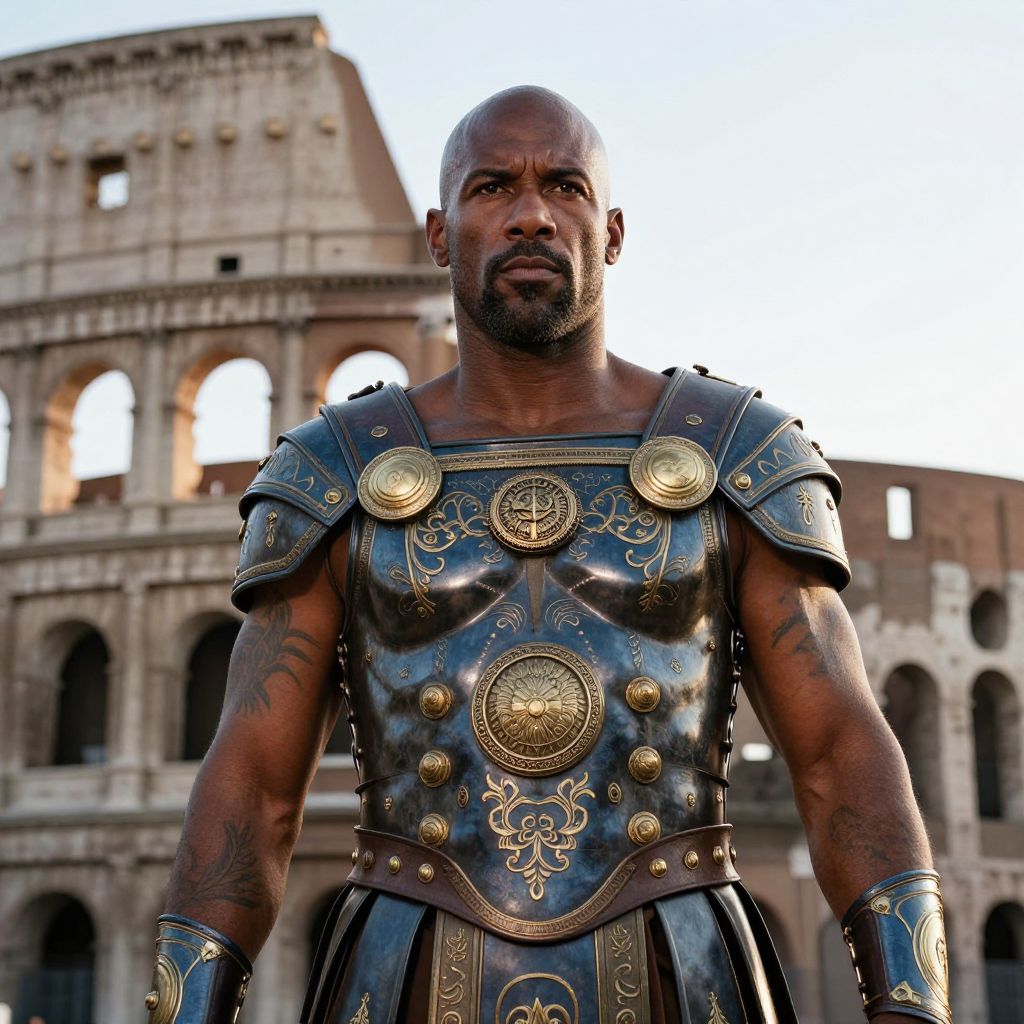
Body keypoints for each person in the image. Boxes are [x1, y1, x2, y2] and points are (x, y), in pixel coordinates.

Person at [145, 87, 952, 1024]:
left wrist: (912, 1006)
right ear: (441, 236)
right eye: (494, 187)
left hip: (677, 971)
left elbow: (838, 748)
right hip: (404, 971)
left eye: (562, 185)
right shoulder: (336, 470)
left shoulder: (738, 452)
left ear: (610, 230)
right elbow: (253, 778)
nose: (531, 213)